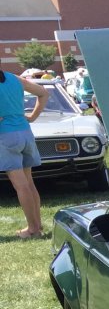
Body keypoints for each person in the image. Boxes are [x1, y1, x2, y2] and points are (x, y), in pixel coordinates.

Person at [0, 68, 48, 238]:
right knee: (29, 183)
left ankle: (33, 230)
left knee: (21, 186)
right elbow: (43, 93)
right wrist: (33, 116)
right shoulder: (14, 78)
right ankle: (37, 225)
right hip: (25, 133)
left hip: (5, 137)